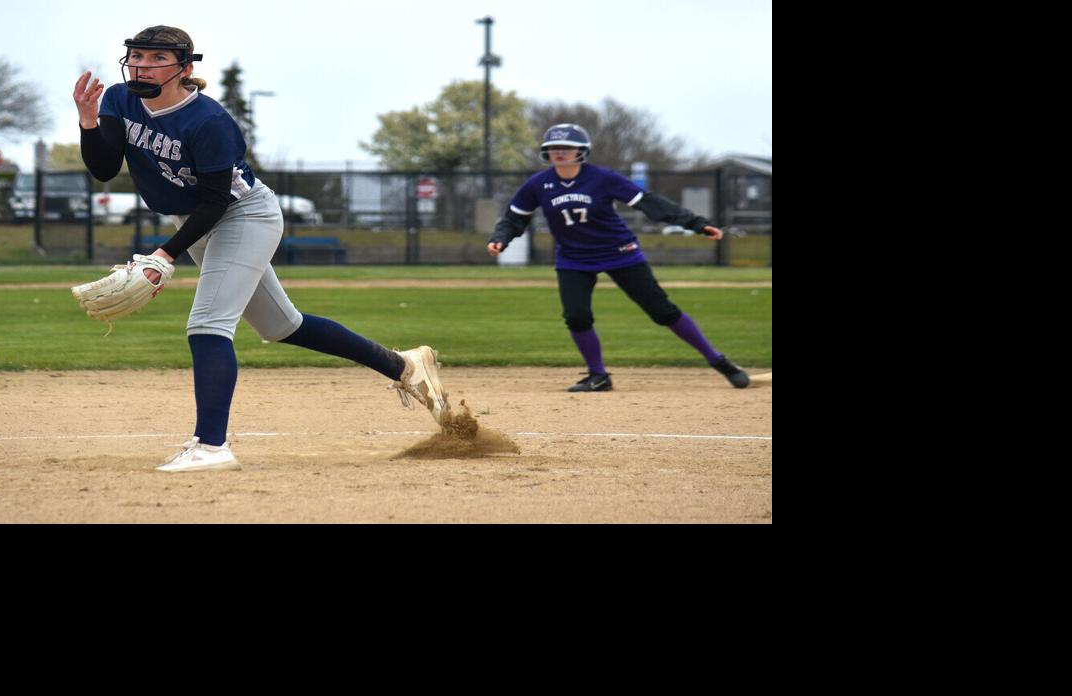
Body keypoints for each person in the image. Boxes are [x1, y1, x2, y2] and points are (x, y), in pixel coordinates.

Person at [75, 25, 450, 472]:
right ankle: (403, 366)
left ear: (184, 68)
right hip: (194, 219)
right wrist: (88, 122)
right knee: (283, 325)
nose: (142, 65)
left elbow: (216, 201)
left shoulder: (208, 121)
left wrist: (164, 256)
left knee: (208, 324)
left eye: (157, 58)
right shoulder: (119, 100)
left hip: (242, 215)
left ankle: (211, 446)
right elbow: (104, 169)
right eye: (137, 56)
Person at [487, 123, 749, 391]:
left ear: (581, 151)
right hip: (574, 258)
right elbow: (514, 219)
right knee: (576, 316)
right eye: (553, 148)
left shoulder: (603, 178)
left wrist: (695, 223)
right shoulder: (538, 184)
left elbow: (649, 203)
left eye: (567, 147)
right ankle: (598, 376)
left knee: (662, 311)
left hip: (619, 252)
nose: (560, 152)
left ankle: (718, 360)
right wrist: (500, 239)